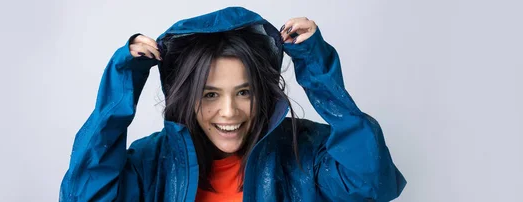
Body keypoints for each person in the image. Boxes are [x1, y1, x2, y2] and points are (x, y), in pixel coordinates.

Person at [59, 7, 406, 202]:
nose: (229, 112)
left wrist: (317, 70)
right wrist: (124, 81)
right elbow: (83, 196)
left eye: (244, 92)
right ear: (186, 96)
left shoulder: (306, 153)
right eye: (210, 94)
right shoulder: (152, 163)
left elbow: (373, 184)